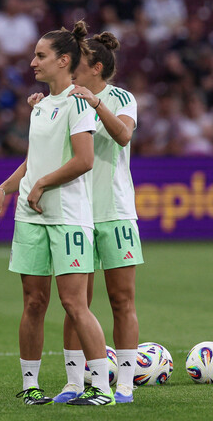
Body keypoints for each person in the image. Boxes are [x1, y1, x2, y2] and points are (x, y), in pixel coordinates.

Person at [0, 21, 115, 406]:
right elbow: (34, 160)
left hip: (68, 216)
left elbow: (85, 160)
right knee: (33, 302)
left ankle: (102, 387)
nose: (32, 62)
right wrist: (6, 188)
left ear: (63, 60)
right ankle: (30, 386)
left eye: (40, 56)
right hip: (30, 216)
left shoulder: (79, 104)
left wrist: (42, 184)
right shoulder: (39, 107)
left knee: (75, 303)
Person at [28, 31, 145, 404]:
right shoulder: (65, 99)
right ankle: (74, 382)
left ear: (95, 68)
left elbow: (124, 136)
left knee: (121, 299)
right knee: (76, 302)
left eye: (79, 64)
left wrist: (96, 103)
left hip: (114, 211)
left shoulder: (120, 98)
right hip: (76, 214)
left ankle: (124, 383)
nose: (72, 69)